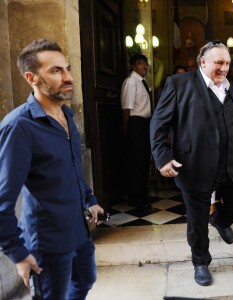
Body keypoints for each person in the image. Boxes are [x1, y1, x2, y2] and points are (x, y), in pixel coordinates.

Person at [0, 39, 104, 299]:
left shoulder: (66, 116)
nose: (68, 77)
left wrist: (89, 199)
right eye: (56, 71)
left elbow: (72, 170)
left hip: (79, 230)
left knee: (85, 280)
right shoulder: (19, 127)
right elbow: (2, 201)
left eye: (67, 68)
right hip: (47, 241)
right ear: (31, 78)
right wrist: (19, 254)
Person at [150, 40, 233, 286]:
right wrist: (163, 156)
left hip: (230, 164)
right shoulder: (179, 83)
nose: (224, 68)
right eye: (219, 63)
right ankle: (200, 262)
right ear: (203, 62)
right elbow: (159, 124)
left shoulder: (229, 87)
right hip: (195, 166)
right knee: (197, 220)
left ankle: (220, 220)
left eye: (228, 63)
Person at [121, 54, 152, 210]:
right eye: (141, 63)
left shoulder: (142, 83)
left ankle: (142, 194)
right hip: (135, 124)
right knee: (136, 162)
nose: (145, 66)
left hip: (144, 124)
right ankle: (136, 198)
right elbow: (126, 107)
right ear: (133, 66)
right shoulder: (131, 82)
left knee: (144, 161)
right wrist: (127, 127)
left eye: (146, 64)